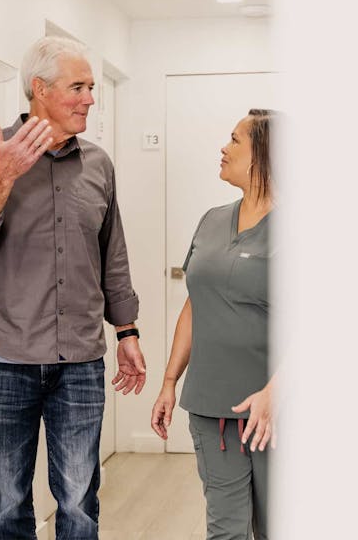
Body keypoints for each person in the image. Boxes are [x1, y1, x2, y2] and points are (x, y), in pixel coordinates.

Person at [0, 36, 147, 540]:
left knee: (79, 503)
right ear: (39, 89)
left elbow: (112, 255)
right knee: (9, 502)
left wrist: (128, 332)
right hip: (3, 359)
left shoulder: (98, 164)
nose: (90, 99)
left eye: (91, 87)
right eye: (77, 87)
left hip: (79, 360)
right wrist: (5, 176)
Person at [151, 109, 276, 540]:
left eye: (235, 140)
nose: (224, 148)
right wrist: (170, 380)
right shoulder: (211, 220)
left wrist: (275, 391)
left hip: (276, 413)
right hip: (211, 410)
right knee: (226, 532)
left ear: (264, 155)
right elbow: (195, 304)